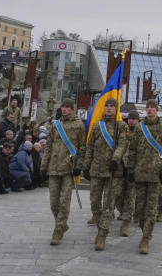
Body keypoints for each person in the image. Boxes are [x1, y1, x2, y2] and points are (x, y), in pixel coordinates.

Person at [117, 98, 162, 255]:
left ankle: (146, 239)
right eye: (147, 107)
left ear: (157, 110)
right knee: (140, 210)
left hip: (156, 174)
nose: (150, 109)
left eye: (152, 107)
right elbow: (132, 150)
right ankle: (144, 230)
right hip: (140, 174)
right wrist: (131, 169)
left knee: (151, 209)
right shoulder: (140, 128)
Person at [83, 97, 127, 251]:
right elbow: (90, 147)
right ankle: (98, 224)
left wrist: (116, 159)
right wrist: (86, 165)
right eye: (107, 106)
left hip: (112, 171)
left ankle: (102, 235)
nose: (109, 108)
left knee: (108, 205)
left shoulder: (121, 126)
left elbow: (122, 145)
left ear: (116, 109)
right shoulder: (97, 126)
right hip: (96, 169)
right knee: (95, 202)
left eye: (112, 106)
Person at [44, 98, 87, 246]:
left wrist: (79, 166)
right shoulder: (56, 125)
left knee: (64, 201)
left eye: (67, 107)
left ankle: (58, 229)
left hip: (69, 168)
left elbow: (82, 147)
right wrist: (44, 164)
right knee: (53, 203)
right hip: (54, 167)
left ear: (72, 109)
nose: (64, 109)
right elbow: (48, 146)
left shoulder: (79, 125)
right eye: (63, 107)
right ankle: (62, 224)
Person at [116, 111, 140, 229]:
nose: (131, 121)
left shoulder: (141, 133)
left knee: (131, 195)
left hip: (133, 168)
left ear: (138, 120)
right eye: (130, 118)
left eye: (134, 119)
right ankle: (123, 211)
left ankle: (128, 217)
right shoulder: (123, 132)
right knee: (118, 194)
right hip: (121, 167)